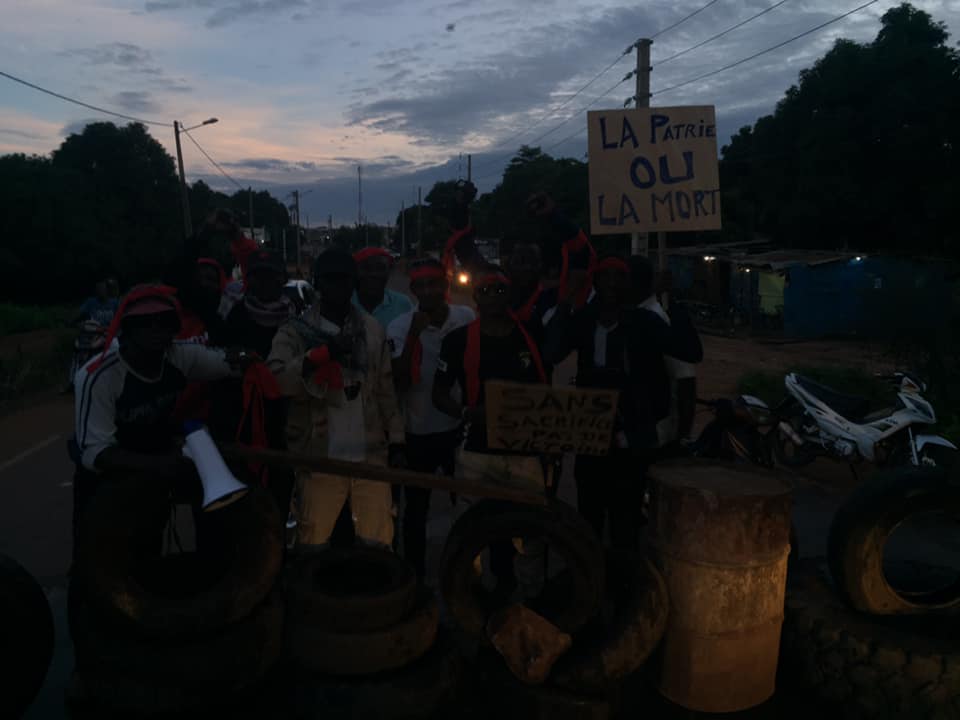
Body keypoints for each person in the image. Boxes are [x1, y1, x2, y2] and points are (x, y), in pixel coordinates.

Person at [544, 255, 703, 550]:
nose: (612, 284)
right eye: (605, 276)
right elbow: (552, 352)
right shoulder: (584, 321)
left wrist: (673, 302)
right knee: (588, 521)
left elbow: (691, 351)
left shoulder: (645, 323)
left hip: (632, 444)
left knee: (625, 524)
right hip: (591, 441)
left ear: (630, 284)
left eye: (619, 277)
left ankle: (621, 575)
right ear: (595, 283)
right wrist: (565, 301)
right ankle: (592, 575)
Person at [268, 248, 405, 550]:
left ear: (354, 284)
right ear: (318, 284)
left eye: (344, 280)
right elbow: (276, 382)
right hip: (318, 458)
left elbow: (384, 389)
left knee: (378, 544)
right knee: (313, 544)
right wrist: (321, 356)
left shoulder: (371, 329)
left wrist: (396, 440)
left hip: (369, 456)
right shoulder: (296, 332)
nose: (337, 287)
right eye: (330, 280)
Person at [433, 266, 548, 597]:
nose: (493, 296)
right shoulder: (457, 341)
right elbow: (439, 394)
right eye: (486, 290)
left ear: (509, 294)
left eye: (499, 289)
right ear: (475, 297)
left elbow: (547, 391)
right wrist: (467, 413)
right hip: (476, 452)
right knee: (470, 531)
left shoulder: (531, 335)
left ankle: (532, 600)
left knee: (532, 533)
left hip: (524, 452)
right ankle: (468, 599)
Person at [386, 258, 475, 578]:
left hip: (457, 427)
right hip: (418, 431)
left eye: (433, 283)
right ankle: (415, 576)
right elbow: (399, 380)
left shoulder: (466, 317)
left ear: (445, 285)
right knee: (415, 511)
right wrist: (414, 333)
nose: (427, 291)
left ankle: (465, 574)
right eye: (420, 285)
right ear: (412, 290)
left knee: (465, 506)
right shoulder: (400, 326)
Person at [352, 247, 413, 329]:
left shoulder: (403, 303)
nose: (374, 274)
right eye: (366, 268)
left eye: (380, 268)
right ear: (355, 271)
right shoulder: (345, 302)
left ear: (389, 271)